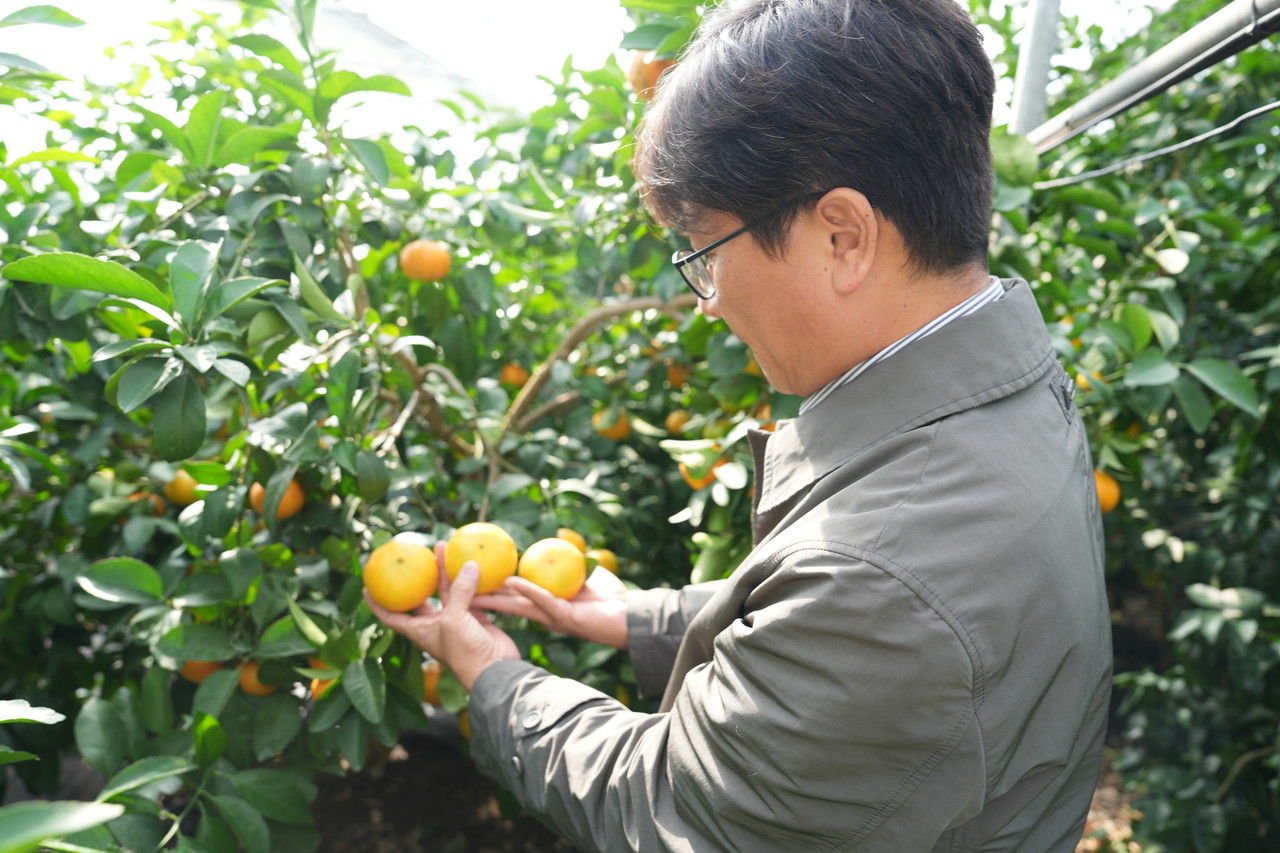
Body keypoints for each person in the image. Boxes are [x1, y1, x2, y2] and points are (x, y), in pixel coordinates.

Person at [366, 0, 1113, 849]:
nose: (710, 302)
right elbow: (845, 641)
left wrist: (493, 675)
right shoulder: (1010, 388)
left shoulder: (884, 581)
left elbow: (673, 810)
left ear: (843, 236)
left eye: (708, 253)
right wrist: (643, 617)